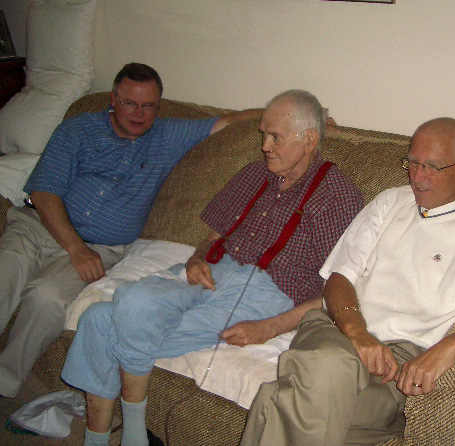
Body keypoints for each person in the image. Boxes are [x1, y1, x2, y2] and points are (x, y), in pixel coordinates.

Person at [60, 89, 363, 446]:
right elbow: (212, 236)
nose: (264, 146)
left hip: (269, 292)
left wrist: (270, 327)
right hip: (216, 269)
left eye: (275, 137)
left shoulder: (337, 195)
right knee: (135, 300)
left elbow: (337, 288)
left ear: (309, 140)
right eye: (263, 135)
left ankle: (122, 437)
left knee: (100, 320)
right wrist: (196, 258)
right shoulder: (256, 173)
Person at [240, 117, 455, 446]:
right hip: (337, 330)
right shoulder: (390, 202)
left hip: (395, 367)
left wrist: (450, 347)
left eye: (432, 166)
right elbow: (339, 277)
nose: (417, 176)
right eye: (412, 163)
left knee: (283, 403)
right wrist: (358, 333)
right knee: (327, 368)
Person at [0, 62, 264, 399]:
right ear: (113, 99)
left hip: (100, 248)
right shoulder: (78, 129)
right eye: (129, 103)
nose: (138, 113)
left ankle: (4, 382)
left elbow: (229, 121)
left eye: (148, 105)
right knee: (6, 272)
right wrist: (76, 248)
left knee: (46, 297)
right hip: (39, 226)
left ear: (158, 106)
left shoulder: (168, 135)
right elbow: (44, 192)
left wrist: (297, 119)